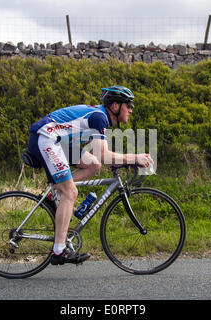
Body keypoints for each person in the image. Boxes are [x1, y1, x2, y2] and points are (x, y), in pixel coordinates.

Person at [27, 86, 153, 265]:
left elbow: (100, 156)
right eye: (129, 105)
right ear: (116, 106)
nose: (131, 109)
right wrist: (135, 158)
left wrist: (129, 160)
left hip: (57, 140)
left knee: (94, 165)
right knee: (70, 192)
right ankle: (58, 251)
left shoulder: (100, 117)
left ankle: (53, 193)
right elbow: (105, 154)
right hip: (46, 138)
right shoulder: (99, 117)